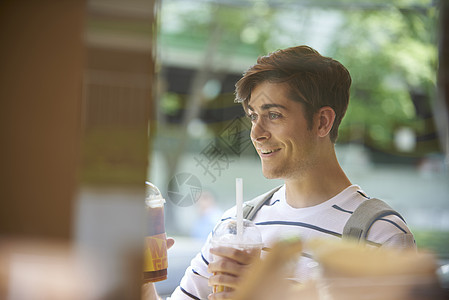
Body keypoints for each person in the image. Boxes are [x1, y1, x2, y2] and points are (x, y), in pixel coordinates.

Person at [144, 45, 416, 300]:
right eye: (253, 116)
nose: (256, 133)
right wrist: (142, 281)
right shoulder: (235, 224)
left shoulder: (382, 235)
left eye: (273, 115)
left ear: (322, 122)